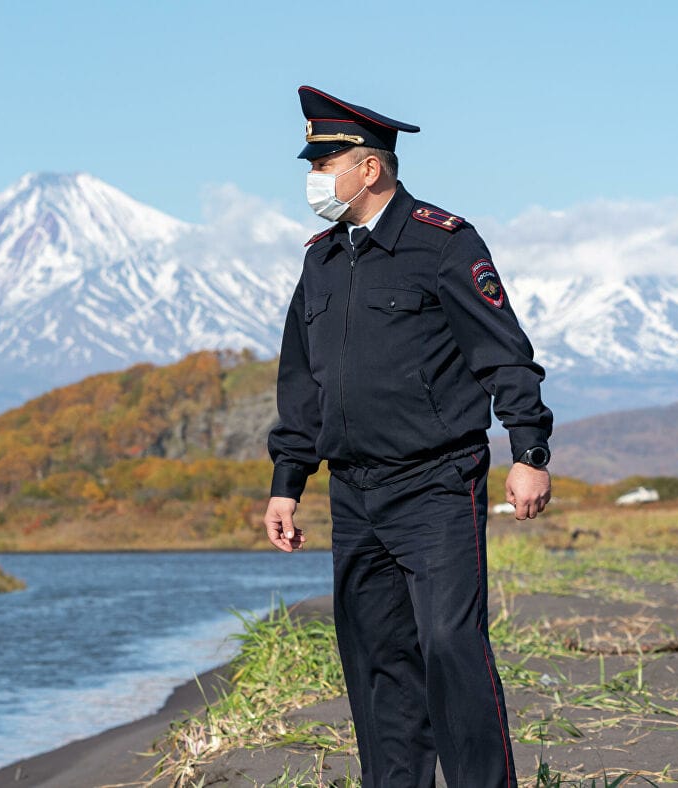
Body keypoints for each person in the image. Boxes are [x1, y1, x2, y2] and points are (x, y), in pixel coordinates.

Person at [263, 85, 554, 788]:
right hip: (354, 493)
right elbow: (302, 384)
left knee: (452, 648)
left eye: (327, 159)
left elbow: (504, 353)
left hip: (436, 484)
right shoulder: (321, 260)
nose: (315, 174)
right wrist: (286, 484)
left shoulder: (441, 243)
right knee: (378, 662)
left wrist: (529, 452)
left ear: (370, 168)